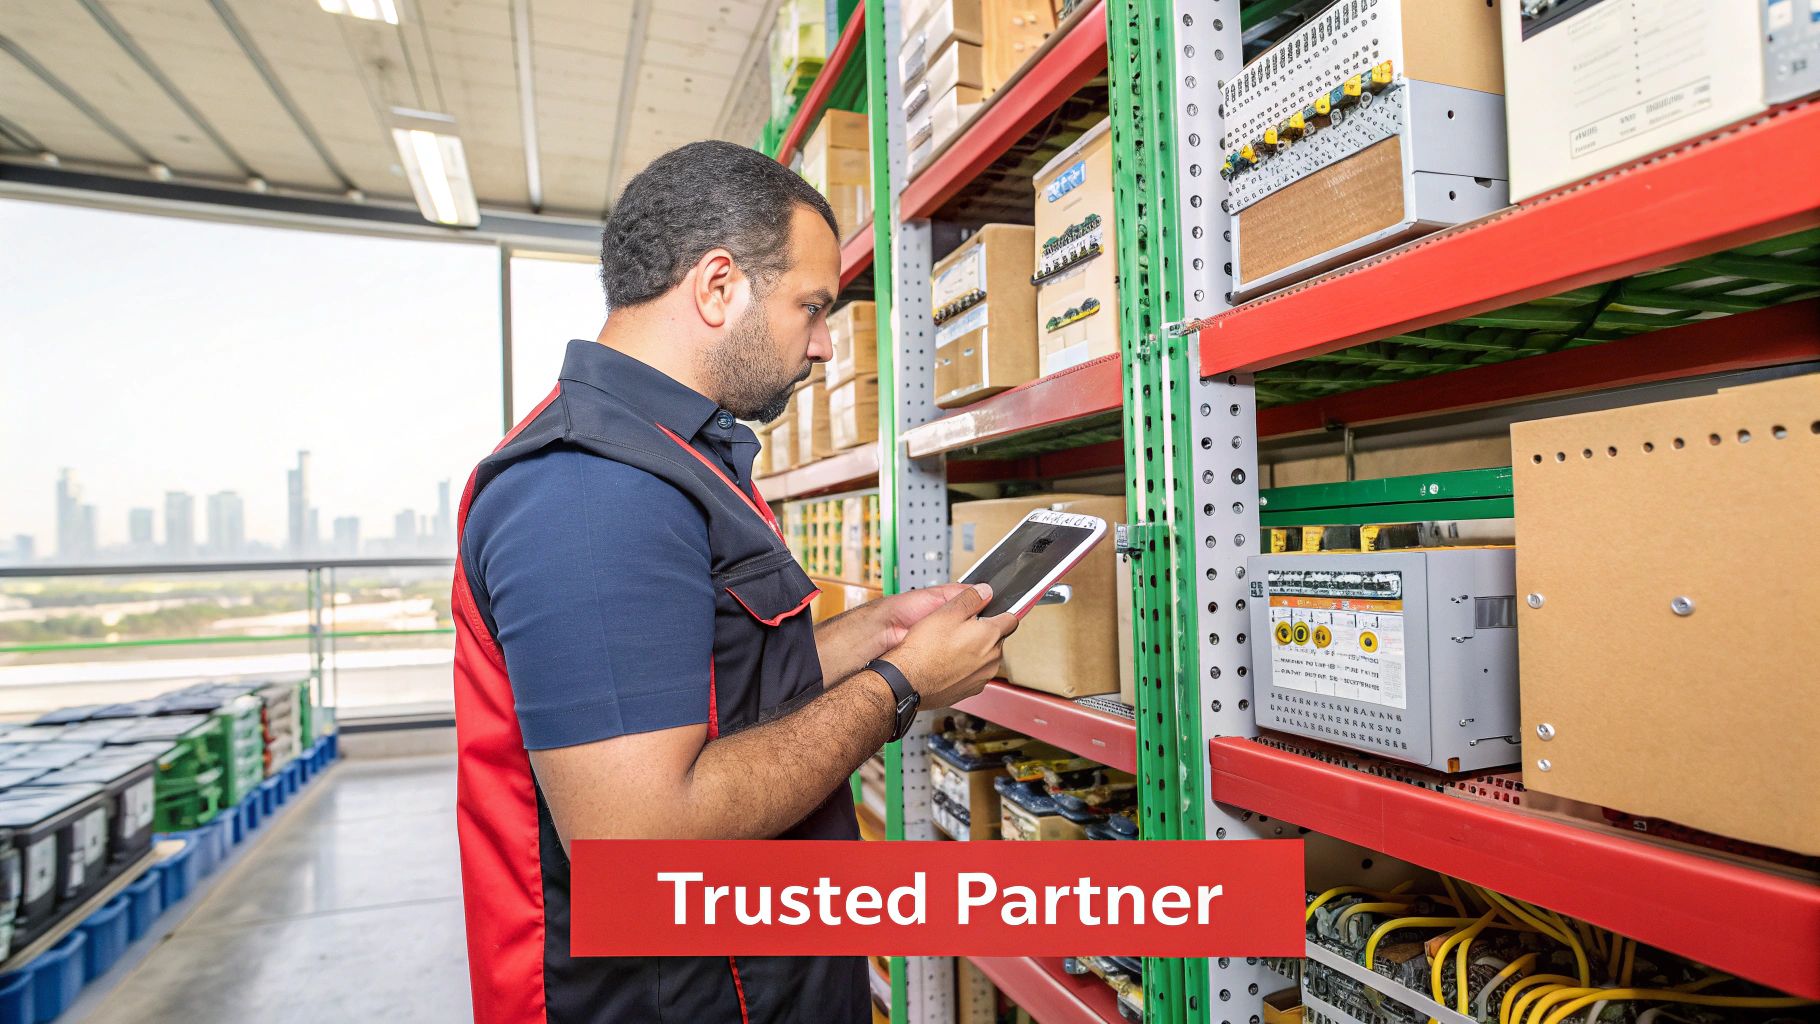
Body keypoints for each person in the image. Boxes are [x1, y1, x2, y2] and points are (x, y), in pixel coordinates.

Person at [451, 140, 1018, 1024]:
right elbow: (635, 839)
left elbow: (716, 684)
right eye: (813, 307)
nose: (828, 345)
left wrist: (875, 634)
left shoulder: (675, 459)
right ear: (718, 287)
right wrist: (904, 688)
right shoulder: (592, 490)